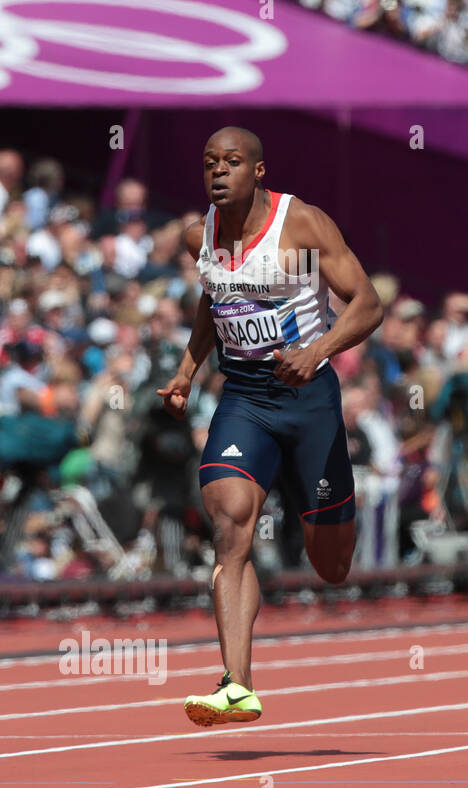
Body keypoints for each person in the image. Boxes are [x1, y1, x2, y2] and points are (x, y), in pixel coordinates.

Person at [156, 128, 383, 726]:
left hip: (309, 401)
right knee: (229, 523)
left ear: (258, 171)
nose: (218, 172)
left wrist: (317, 352)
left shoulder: (301, 224)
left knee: (331, 565)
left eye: (232, 162)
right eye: (209, 163)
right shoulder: (196, 235)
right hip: (247, 399)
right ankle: (237, 683)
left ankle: (323, 510)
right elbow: (214, 298)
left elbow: (367, 302)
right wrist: (187, 369)